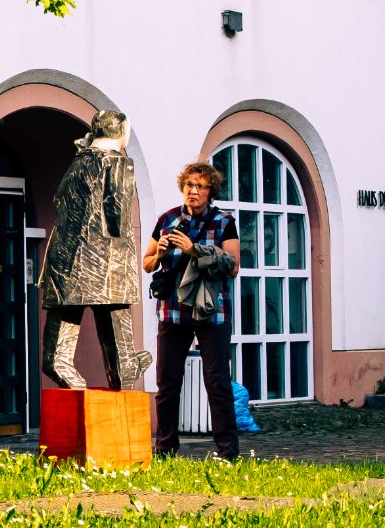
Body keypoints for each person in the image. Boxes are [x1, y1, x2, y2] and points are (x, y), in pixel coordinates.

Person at [38, 110, 151, 389]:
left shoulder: (79, 161)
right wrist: (125, 261)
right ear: (121, 132)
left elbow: (59, 201)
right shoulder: (118, 162)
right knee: (115, 312)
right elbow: (119, 215)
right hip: (104, 257)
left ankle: (60, 364)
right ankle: (124, 367)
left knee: (66, 312)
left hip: (65, 253)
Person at [145, 161, 242, 458]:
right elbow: (147, 263)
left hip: (211, 311)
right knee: (167, 382)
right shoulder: (167, 219)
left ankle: (227, 453)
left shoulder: (224, 221)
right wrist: (160, 252)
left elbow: (233, 266)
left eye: (200, 186)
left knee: (217, 382)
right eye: (189, 185)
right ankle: (165, 449)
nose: (194, 191)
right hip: (172, 310)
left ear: (210, 190)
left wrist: (193, 250)